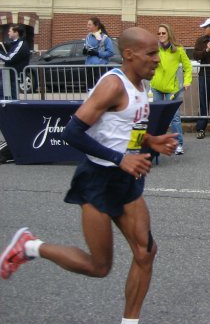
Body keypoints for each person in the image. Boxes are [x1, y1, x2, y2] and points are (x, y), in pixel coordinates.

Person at [0, 27, 178, 324]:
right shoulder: (113, 85)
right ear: (129, 54)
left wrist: (150, 140)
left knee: (146, 253)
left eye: (157, 52)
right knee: (99, 266)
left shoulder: (139, 85)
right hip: (98, 179)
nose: (157, 58)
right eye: (151, 53)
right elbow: (72, 132)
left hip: (126, 181)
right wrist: (120, 159)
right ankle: (30, 246)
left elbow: (121, 129)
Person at [149, 24, 192, 155]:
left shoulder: (178, 50)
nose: (161, 35)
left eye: (163, 33)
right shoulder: (155, 49)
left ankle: (178, 144)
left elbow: (188, 66)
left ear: (169, 34)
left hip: (171, 89)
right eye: (159, 33)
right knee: (155, 117)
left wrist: (187, 81)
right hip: (156, 87)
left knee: (175, 117)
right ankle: (155, 144)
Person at [0, 25, 31, 100]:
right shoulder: (15, 44)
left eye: (10, 31)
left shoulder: (21, 44)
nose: (8, 33)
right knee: (4, 97)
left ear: (16, 33)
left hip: (13, 75)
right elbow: (7, 45)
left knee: (12, 99)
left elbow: (8, 58)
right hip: (9, 74)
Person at [84, 16, 115, 89]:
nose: (87, 26)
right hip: (89, 65)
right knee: (90, 87)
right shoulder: (88, 36)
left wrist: (97, 53)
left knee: (100, 87)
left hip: (100, 66)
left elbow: (110, 52)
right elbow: (87, 47)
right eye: (87, 24)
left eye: (89, 24)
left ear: (96, 25)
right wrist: (85, 51)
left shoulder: (105, 38)